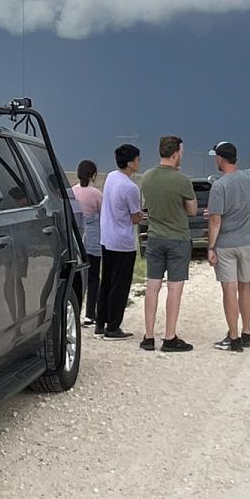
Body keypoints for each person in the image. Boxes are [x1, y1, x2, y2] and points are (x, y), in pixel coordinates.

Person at [137, 136, 197, 352]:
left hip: (154, 237)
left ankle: (148, 336)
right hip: (178, 238)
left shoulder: (147, 177)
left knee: (152, 287)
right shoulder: (182, 180)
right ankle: (169, 337)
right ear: (175, 154)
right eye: (182, 152)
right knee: (174, 288)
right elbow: (192, 210)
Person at [206, 142, 250, 352]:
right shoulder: (249, 177)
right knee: (245, 285)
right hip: (247, 241)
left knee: (229, 288)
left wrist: (211, 247)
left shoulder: (219, 186)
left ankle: (234, 337)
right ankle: (247, 332)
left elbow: (215, 221)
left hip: (226, 245)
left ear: (220, 159)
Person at [97, 143, 144, 340]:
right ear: (131, 163)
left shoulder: (110, 176)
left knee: (106, 280)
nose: (139, 163)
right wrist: (141, 216)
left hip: (106, 237)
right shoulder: (130, 187)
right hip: (123, 241)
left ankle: (100, 323)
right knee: (120, 284)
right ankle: (113, 326)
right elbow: (134, 217)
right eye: (138, 159)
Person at [70, 160, 104, 326]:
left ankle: (76, 311)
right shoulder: (96, 194)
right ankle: (90, 313)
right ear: (93, 175)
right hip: (93, 238)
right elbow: (102, 214)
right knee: (93, 277)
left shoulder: (73, 191)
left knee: (78, 276)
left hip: (77, 237)